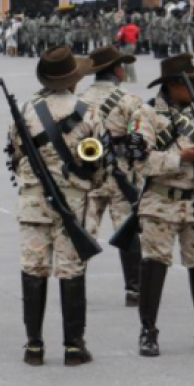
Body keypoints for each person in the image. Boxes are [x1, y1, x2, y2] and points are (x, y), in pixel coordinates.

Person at [6, 47, 107, 366]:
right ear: (74, 79)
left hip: (34, 201)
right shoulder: (89, 111)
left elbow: (16, 152)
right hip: (74, 200)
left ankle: (33, 346)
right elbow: (102, 162)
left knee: (33, 268)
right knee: (71, 270)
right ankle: (74, 346)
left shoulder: (26, 109)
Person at [137, 55, 194, 357]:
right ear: (173, 85)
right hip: (161, 200)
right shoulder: (148, 114)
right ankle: (148, 330)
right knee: (155, 264)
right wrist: (180, 158)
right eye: (191, 82)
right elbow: (139, 161)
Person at [78, 46, 154, 306]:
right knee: (128, 230)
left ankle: (74, 284)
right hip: (121, 174)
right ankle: (134, 289)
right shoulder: (129, 100)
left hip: (89, 174)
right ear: (116, 70)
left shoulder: (79, 99)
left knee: (84, 230)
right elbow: (142, 141)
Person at [116, 17, 141, 82]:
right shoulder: (136, 27)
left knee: (126, 62)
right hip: (132, 45)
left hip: (125, 46)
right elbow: (138, 36)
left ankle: (127, 78)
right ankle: (131, 78)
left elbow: (118, 36)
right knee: (129, 61)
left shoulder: (123, 28)